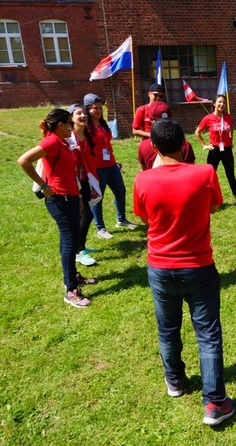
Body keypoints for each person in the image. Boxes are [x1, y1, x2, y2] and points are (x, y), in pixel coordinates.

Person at [133, 118, 234, 426]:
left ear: (152, 146)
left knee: (168, 329)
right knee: (207, 334)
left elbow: (143, 217)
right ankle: (214, 402)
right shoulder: (205, 173)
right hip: (198, 265)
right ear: (184, 145)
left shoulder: (142, 180)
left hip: (160, 267)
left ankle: (175, 381)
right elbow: (214, 207)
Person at [18, 109, 97, 308]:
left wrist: (78, 195)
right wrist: (44, 186)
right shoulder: (51, 141)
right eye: (69, 122)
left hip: (70, 197)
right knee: (71, 241)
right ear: (60, 125)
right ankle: (70, 290)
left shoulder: (63, 142)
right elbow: (23, 160)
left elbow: (70, 171)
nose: (72, 126)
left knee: (67, 239)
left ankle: (72, 276)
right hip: (58, 200)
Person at [84, 93, 137, 239]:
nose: (99, 110)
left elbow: (106, 144)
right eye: (95, 108)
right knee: (98, 198)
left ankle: (121, 220)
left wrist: (115, 161)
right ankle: (100, 228)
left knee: (120, 191)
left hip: (111, 164)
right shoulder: (86, 127)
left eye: (100, 107)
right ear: (88, 109)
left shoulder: (102, 124)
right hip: (97, 167)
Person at [195, 94, 236, 206]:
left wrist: (231, 141)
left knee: (230, 174)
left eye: (224, 102)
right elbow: (197, 132)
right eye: (220, 102)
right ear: (214, 104)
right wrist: (204, 145)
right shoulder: (208, 118)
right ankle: (207, 200)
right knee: (210, 175)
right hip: (214, 150)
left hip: (227, 150)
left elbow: (231, 129)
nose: (222, 104)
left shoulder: (228, 117)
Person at [66, 103, 98, 267]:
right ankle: (78, 251)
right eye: (79, 113)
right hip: (73, 182)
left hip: (86, 180)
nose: (83, 115)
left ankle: (81, 247)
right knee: (86, 215)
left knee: (84, 214)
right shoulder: (69, 138)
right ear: (71, 118)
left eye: (84, 113)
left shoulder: (87, 135)